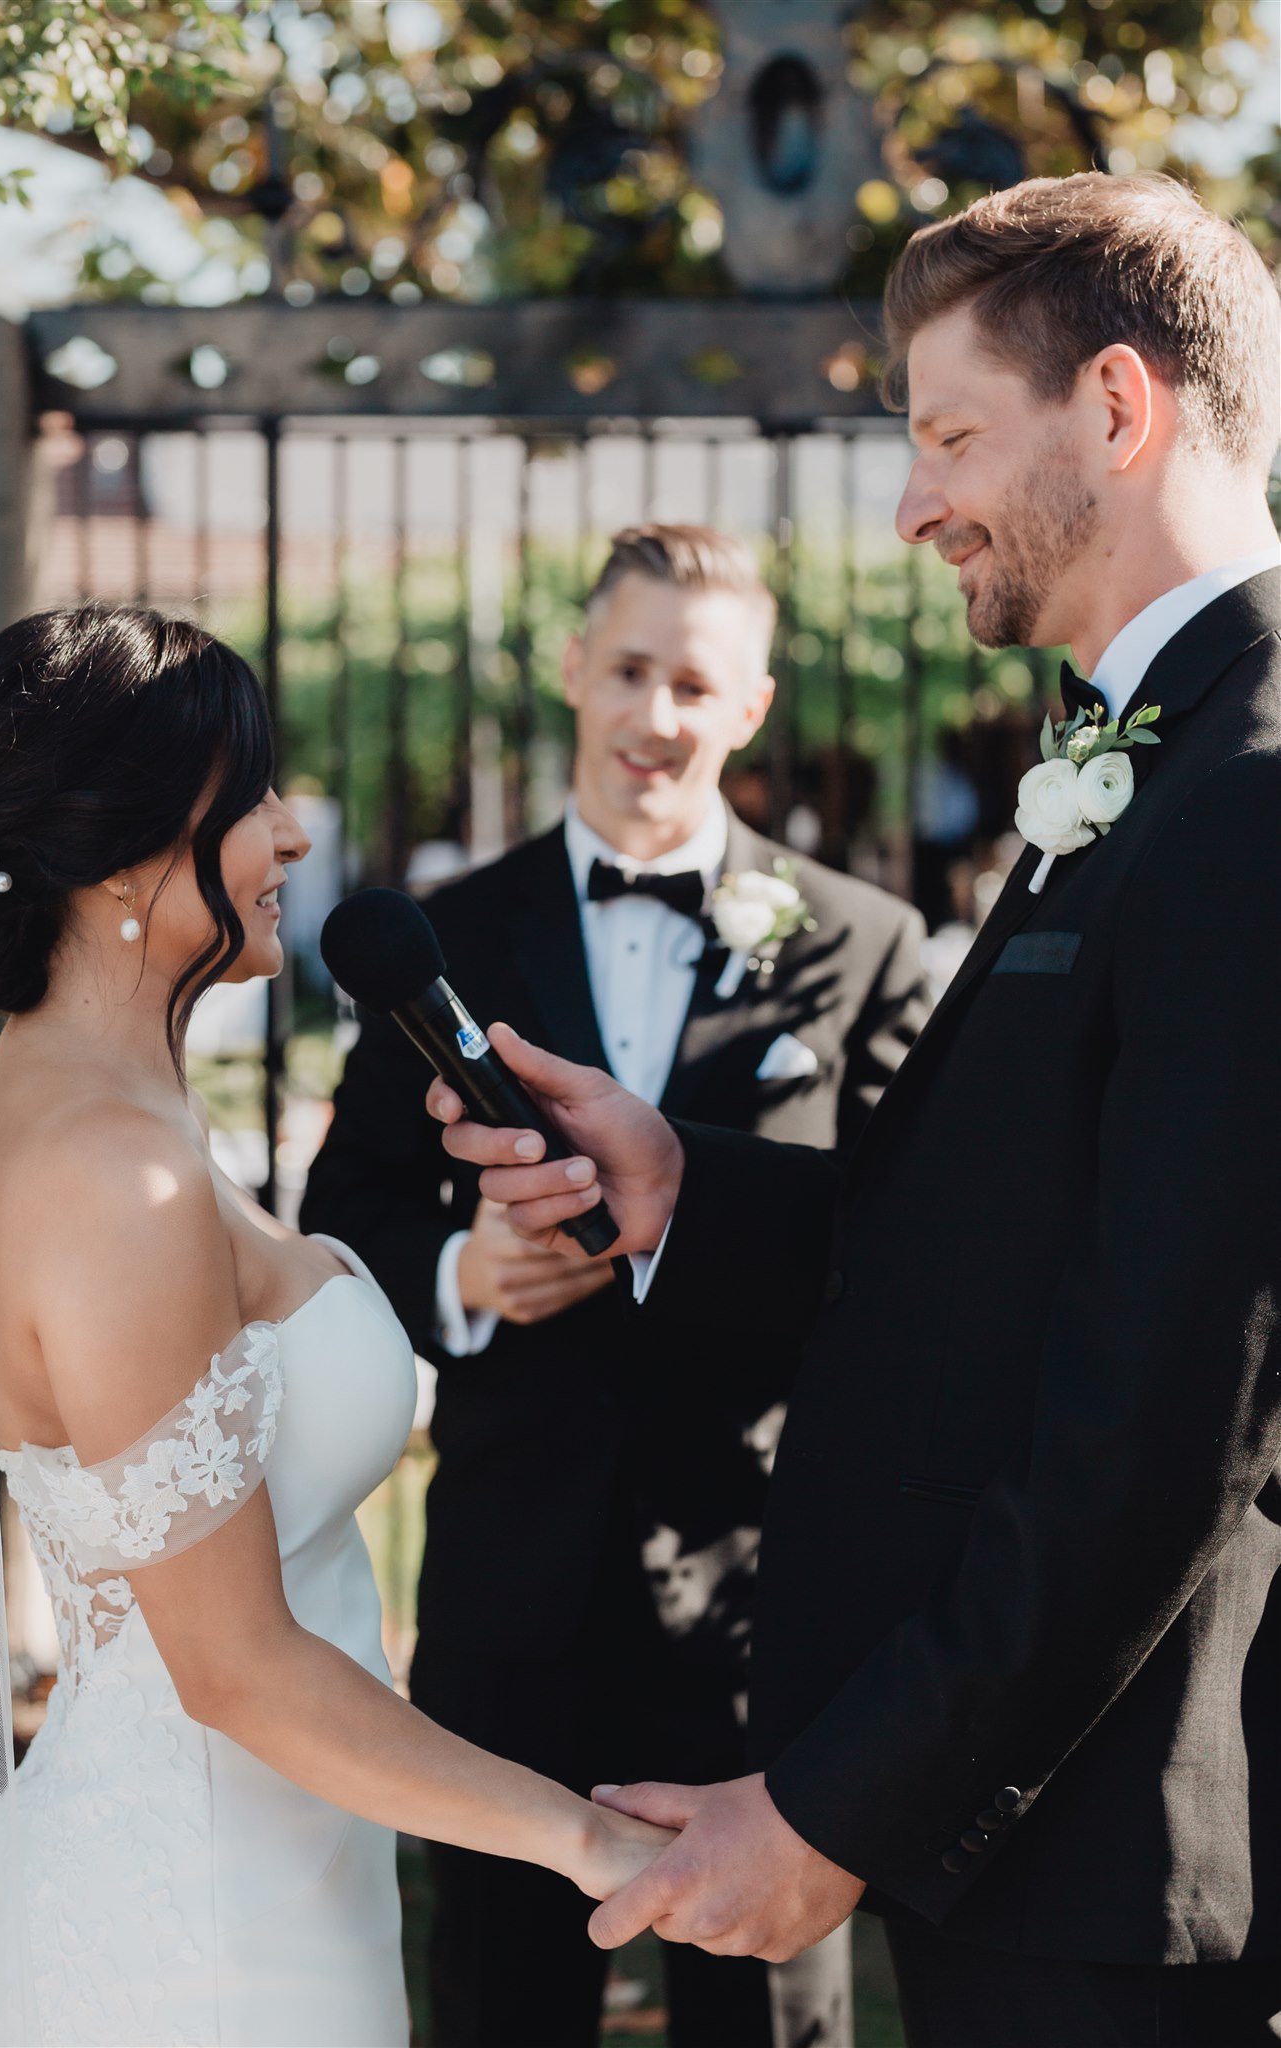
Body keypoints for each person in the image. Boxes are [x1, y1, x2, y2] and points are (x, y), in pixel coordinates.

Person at [425, 174, 1281, 2048]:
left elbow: (1154, 1421)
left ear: (1118, 410)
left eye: (951, 434)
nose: (912, 506)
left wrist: (838, 1809)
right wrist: (680, 1190)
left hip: (1101, 1858)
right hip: (1020, 1850)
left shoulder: (1253, 797)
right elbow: (1008, 1246)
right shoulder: (1146, 762)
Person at [0, 605, 669, 2048]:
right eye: (254, 797)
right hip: (199, 1936)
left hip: (277, 1874)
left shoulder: (123, 1109)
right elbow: (234, 1664)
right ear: (131, 848)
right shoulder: (104, 1168)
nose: (293, 837)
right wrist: (596, 1845)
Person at [302, 523, 928, 2048]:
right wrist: (465, 1271)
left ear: (750, 708)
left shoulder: (862, 944)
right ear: (575, 671)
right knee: (497, 1999)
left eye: (693, 684)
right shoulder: (442, 938)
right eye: (630, 669)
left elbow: (916, 1256)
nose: (655, 716)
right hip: (509, 1595)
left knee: (764, 2016)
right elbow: (342, 1214)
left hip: (758, 1606)